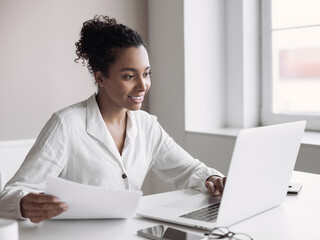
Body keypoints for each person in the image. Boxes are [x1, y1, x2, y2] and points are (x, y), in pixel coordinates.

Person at [0, 15, 226, 223]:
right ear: (100, 77)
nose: (142, 85)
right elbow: (9, 195)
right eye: (129, 76)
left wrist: (214, 178)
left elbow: (188, 170)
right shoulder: (67, 124)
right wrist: (24, 203)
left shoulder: (147, 126)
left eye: (146, 73)